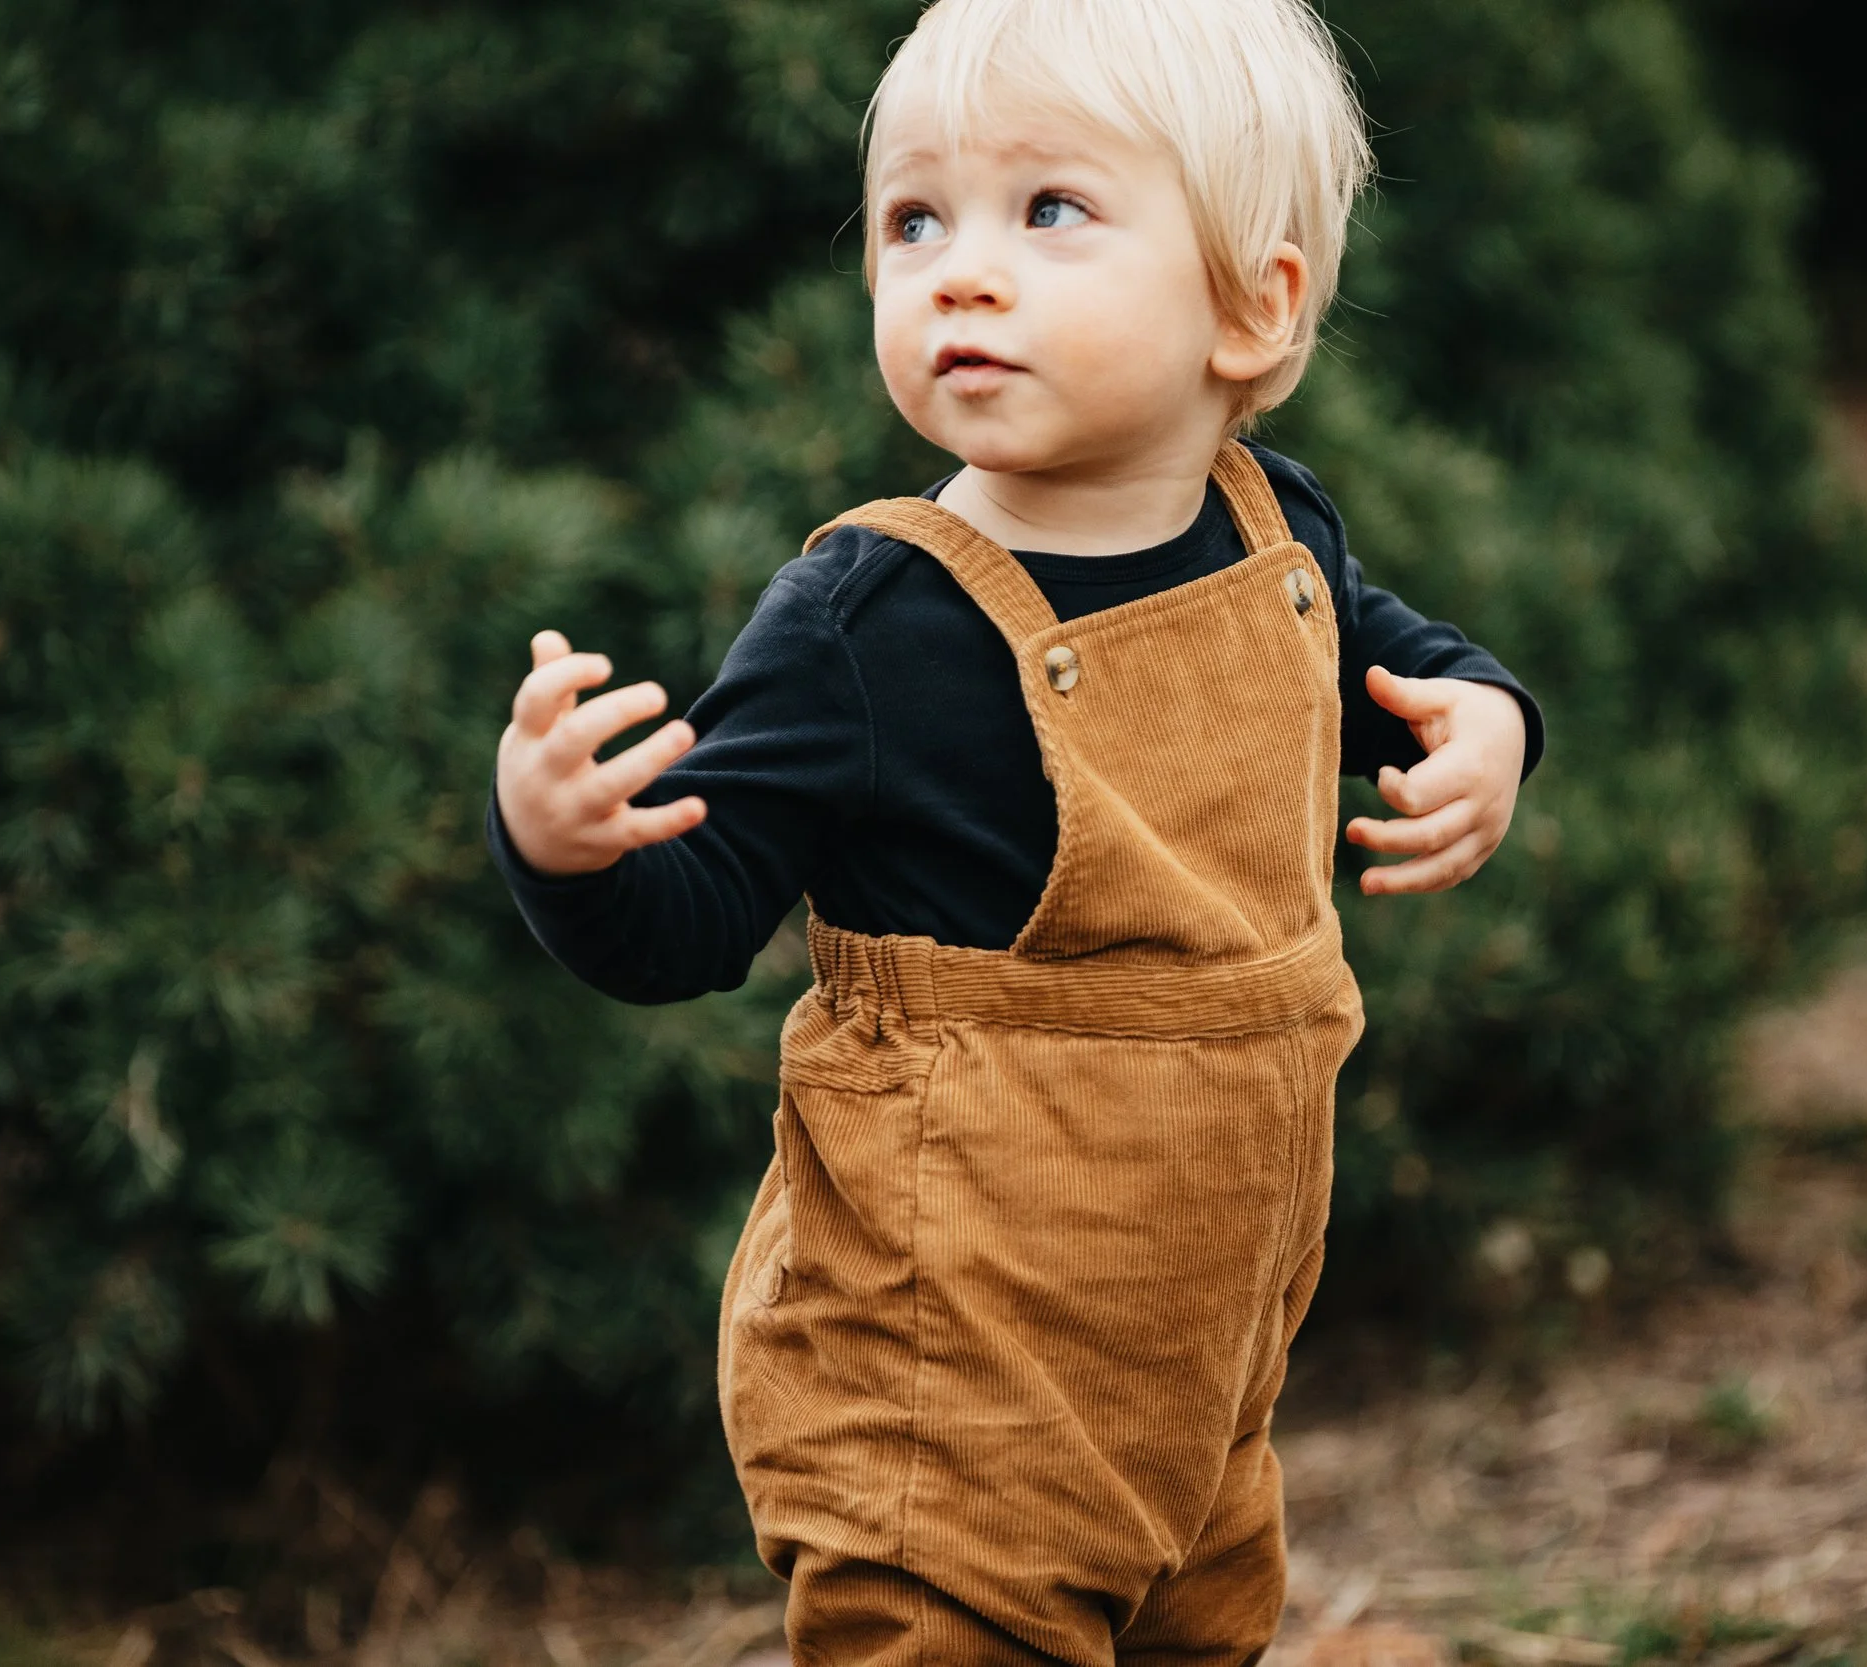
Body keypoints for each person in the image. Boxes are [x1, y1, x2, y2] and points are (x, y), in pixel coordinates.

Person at [488, 0, 1543, 1656]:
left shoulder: (1277, 533)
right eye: (917, 219)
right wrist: (564, 840)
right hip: (946, 1390)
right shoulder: (867, 617)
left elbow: (1406, 657)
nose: (960, 270)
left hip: (1201, 1365)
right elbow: (686, 920)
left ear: (1249, 308)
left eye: (1049, 210)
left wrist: (1488, 718)